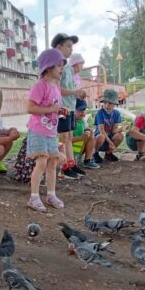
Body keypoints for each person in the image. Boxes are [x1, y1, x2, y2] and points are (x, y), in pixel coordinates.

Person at [25, 49, 65, 212]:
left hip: (50, 132)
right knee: (41, 162)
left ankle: (51, 194)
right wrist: (51, 108)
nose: (61, 69)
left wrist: (60, 111)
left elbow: (53, 108)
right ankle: (34, 197)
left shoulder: (56, 87)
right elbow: (30, 107)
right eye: (58, 65)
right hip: (38, 131)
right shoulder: (39, 86)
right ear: (48, 67)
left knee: (52, 163)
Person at [51, 32, 86, 180]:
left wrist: (77, 94)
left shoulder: (68, 68)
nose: (70, 50)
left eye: (72, 47)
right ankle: (64, 167)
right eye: (68, 46)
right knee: (63, 136)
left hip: (70, 106)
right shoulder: (56, 66)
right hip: (62, 107)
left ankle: (71, 164)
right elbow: (56, 88)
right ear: (59, 47)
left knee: (69, 136)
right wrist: (74, 92)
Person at [93, 89, 125, 161]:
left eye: (110, 103)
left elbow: (114, 130)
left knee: (120, 136)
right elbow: (102, 131)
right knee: (101, 136)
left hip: (110, 137)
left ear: (114, 104)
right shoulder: (100, 113)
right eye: (105, 103)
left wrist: (121, 129)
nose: (107, 105)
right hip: (99, 140)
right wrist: (110, 143)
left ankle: (108, 154)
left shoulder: (117, 113)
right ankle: (94, 153)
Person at [71, 98, 97, 169]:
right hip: (70, 152)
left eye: (84, 110)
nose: (82, 112)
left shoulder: (83, 122)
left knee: (90, 134)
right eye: (80, 110)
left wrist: (89, 130)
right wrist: (81, 138)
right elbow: (66, 140)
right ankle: (72, 161)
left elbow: (85, 131)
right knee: (88, 134)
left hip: (79, 150)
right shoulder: (69, 122)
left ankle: (88, 160)